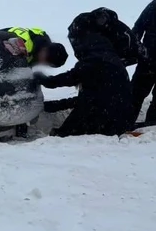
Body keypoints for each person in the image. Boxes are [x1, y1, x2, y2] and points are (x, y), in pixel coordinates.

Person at [37, 8, 137, 137]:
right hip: (120, 117)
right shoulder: (109, 57)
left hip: (107, 121)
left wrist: (46, 81)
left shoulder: (95, 59)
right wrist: (56, 105)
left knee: (63, 136)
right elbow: (92, 97)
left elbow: (73, 79)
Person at [0, 27, 69, 68]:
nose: (43, 63)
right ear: (45, 51)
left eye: (47, 63)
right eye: (45, 60)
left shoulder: (42, 43)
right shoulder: (24, 46)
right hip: (1, 41)